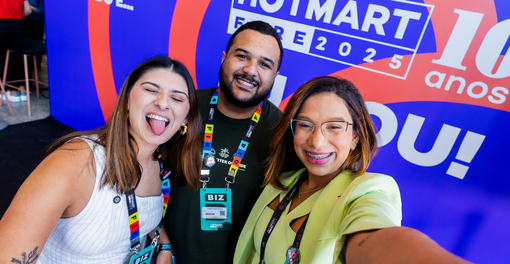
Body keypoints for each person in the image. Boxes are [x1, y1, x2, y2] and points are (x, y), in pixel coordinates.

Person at [234, 76, 472, 264]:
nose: (317, 141)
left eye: (335, 127)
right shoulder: (283, 181)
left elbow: (373, 239)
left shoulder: (368, 191)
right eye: (305, 125)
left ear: (356, 136)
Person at [0, 56, 202, 263]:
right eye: (151, 90)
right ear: (126, 101)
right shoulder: (76, 162)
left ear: (186, 118)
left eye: (177, 98)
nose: (162, 103)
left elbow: (145, 215)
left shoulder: (163, 165)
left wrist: (164, 248)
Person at [163, 20, 283, 264]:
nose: (250, 70)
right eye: (242, 56)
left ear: (275, 75)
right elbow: (142, 178)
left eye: (264, 64)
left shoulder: (283, 135)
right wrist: (162, 244)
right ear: (224, 57)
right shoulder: (184, 106)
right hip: (166, 257)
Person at [0, 0, 32, 102]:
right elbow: (28, 10)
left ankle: (12, 92)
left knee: (3, 57)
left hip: (2, 24)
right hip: (19, 26)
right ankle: (22, 91)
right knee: (18, 56)